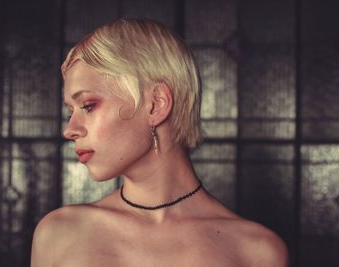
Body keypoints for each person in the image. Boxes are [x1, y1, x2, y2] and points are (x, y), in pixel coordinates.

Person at [31, 18, 288, 267]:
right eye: (70, 111)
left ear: (156, 104)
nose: (70, 130)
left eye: (88, 105)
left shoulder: (258, 252)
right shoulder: (58, 234)